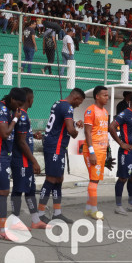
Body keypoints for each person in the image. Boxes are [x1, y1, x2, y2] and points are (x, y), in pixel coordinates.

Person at [0, 88, 26, 241]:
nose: (19, 108)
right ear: (12, 98)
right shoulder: (1, 109)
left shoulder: (5, 108)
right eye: (18, 104)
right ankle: (2, 229)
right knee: (3, 191)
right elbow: (4, 133)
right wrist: (15, 119)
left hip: (0, 154)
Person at [38, 88, 85, 223]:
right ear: (75, 98)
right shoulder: (68, 107)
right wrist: (76, 131)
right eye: (79, 103)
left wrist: (75, 122)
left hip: (56, 146)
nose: (78, 105)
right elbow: (70, 130)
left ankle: (57, 213)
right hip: (55, 147)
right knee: (51, 179)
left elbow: (61, 122)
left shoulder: (58, 103)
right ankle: (40, 213)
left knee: (59, 178)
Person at [11, 88, 47, 229]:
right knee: (19, 190)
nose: (33, 101)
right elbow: (20, 141)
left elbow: (21, 135)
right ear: (29, 100)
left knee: (30, 189)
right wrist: (34, 161)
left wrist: (32, 135)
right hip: (21, 159)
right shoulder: (23, 116)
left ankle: (35, 219)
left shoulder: (23, 115)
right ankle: (14, 220)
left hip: (25, 159)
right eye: (33, 99)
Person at [109, 91, 132, 214]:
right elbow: (111, 127)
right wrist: (121, 143)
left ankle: (131, 204)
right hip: (126, 152)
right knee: (123, 178)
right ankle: (118, 206)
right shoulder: (125, 113)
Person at [82, 86, 110, 220]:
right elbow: (87, 132)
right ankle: (94, 210)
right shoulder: (90, 111)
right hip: (93, 151)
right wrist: (92, 152)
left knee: (96, 180)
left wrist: (108, 152)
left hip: (102, 150)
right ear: (97, 96)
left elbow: (105, 131)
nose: (107, 97)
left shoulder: (105, 111)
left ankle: (88, 209)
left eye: (107, 95)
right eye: (104, 95)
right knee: (94, 180)